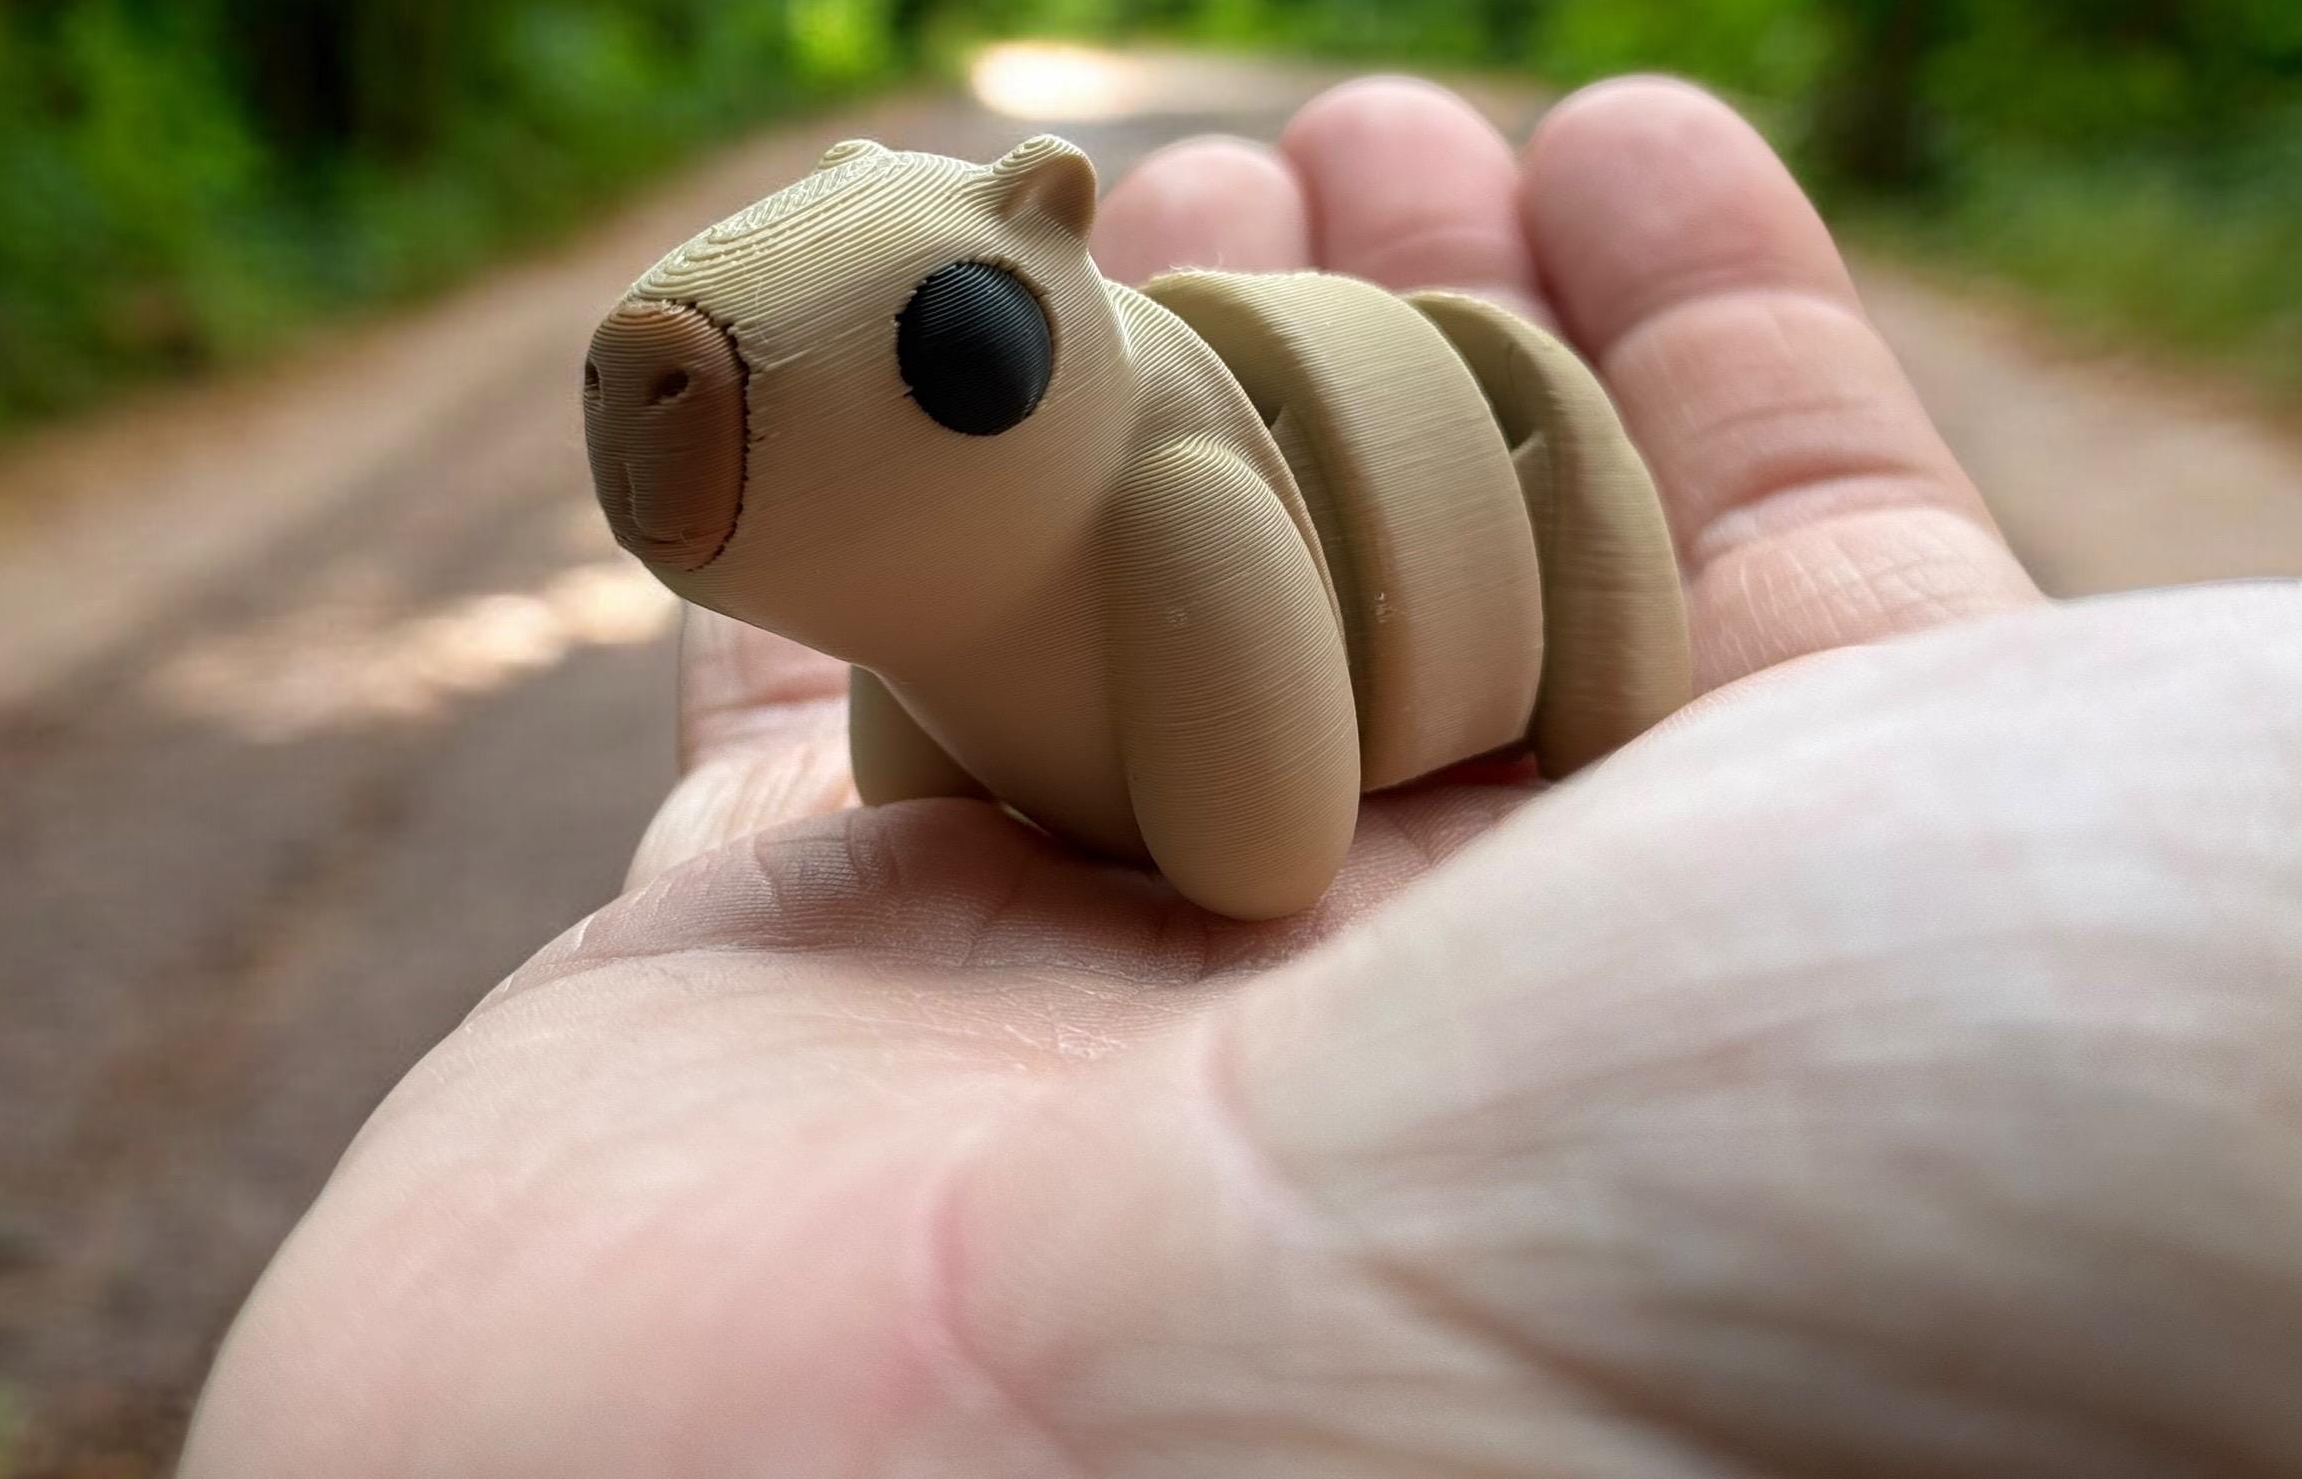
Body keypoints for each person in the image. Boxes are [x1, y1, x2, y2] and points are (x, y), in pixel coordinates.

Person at [180, 77, 2302, 1476]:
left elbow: (1268, 842)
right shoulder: (940, 580)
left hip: (1486, 454)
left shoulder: (1180, 488)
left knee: (1553, 619)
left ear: (1035, 286)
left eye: (944, 338)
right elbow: (924, 754)